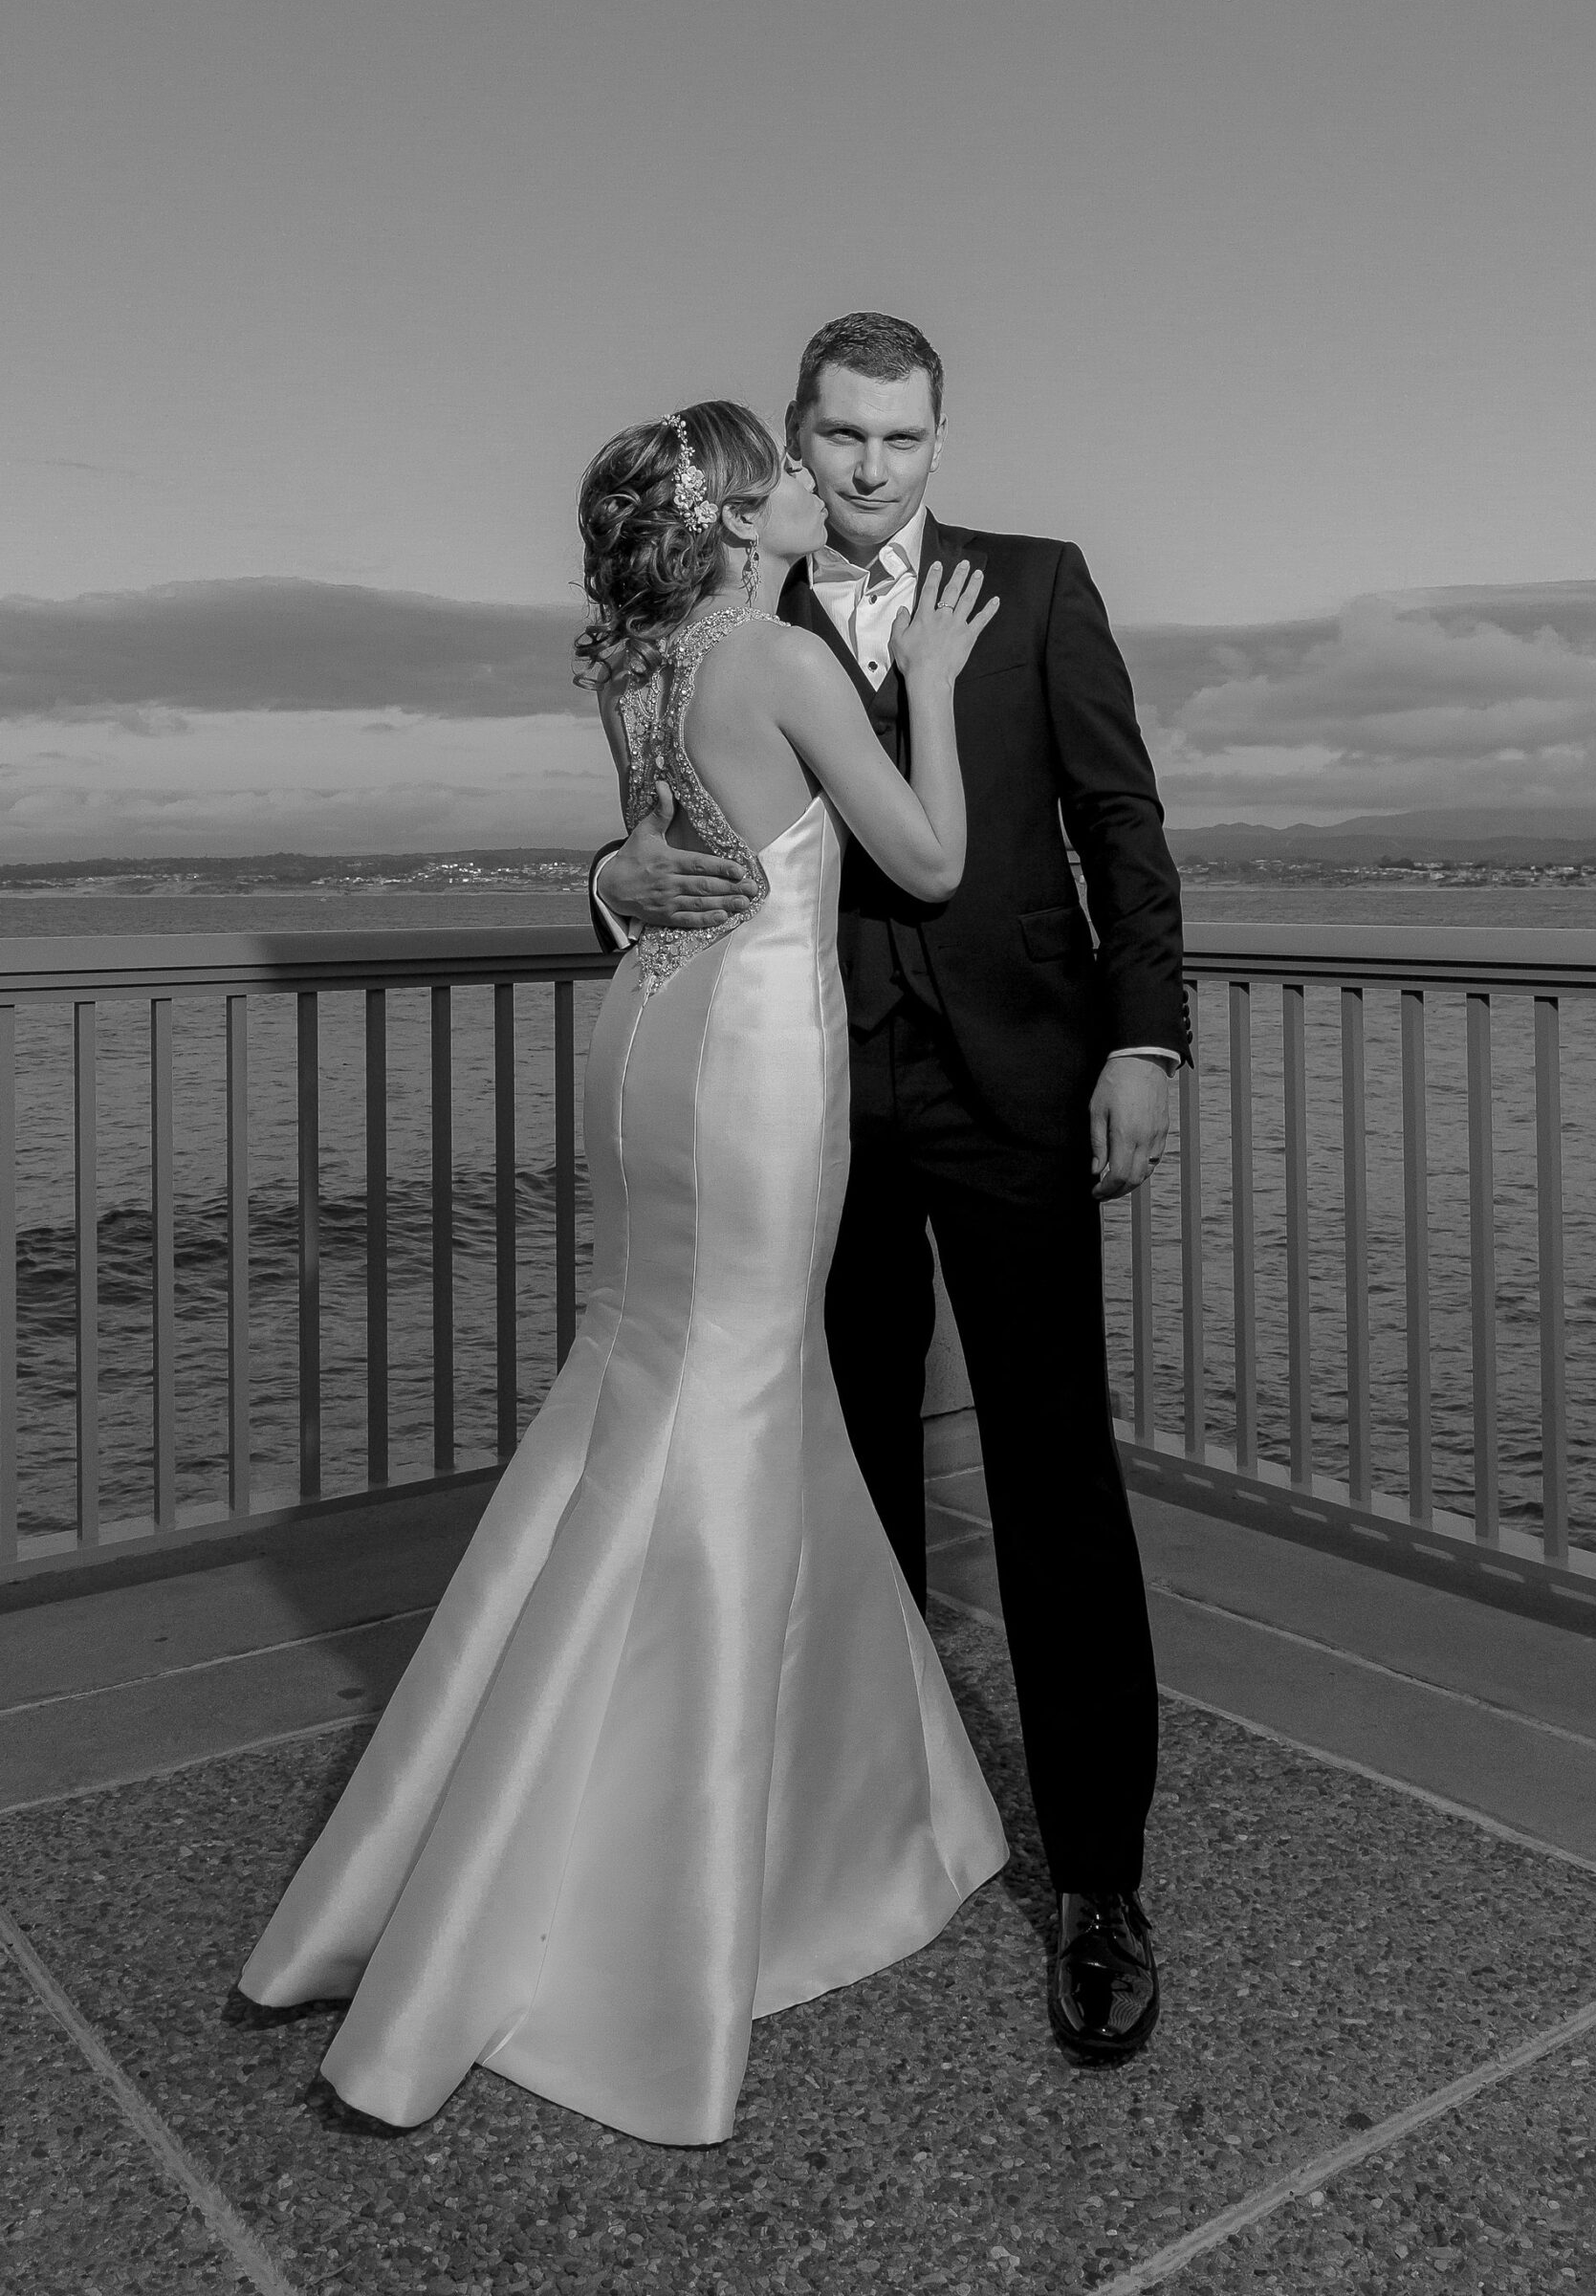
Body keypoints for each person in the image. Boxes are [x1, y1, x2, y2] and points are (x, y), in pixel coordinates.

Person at [238, 401, 1008, 2147]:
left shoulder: (638, 667)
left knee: (644, 1380)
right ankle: (675, 1883)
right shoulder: (783, 661)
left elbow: (649, 868)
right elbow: (936, 863)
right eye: (793, 475)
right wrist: (939, 682)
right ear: (742, 516)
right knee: (731, 1400)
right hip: (752, 1061)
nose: (823, 489)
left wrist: (613, 875)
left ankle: (645, 1791)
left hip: (639, 1042)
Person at [592, 316, 1189, 2066]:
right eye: (842, 438)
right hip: (810, 1108)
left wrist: (1144, 1044)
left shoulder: (1041, 584)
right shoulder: (734, 604)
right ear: (795, 438)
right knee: (829, 1466)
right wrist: (606, 876)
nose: (870, 472)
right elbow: (661, 811)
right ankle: (835, 1835)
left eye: (904, 442)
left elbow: (1120, 827)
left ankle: (1100, 1884)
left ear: (942, 441)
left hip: (1015, 1086)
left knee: (1056, 1474)